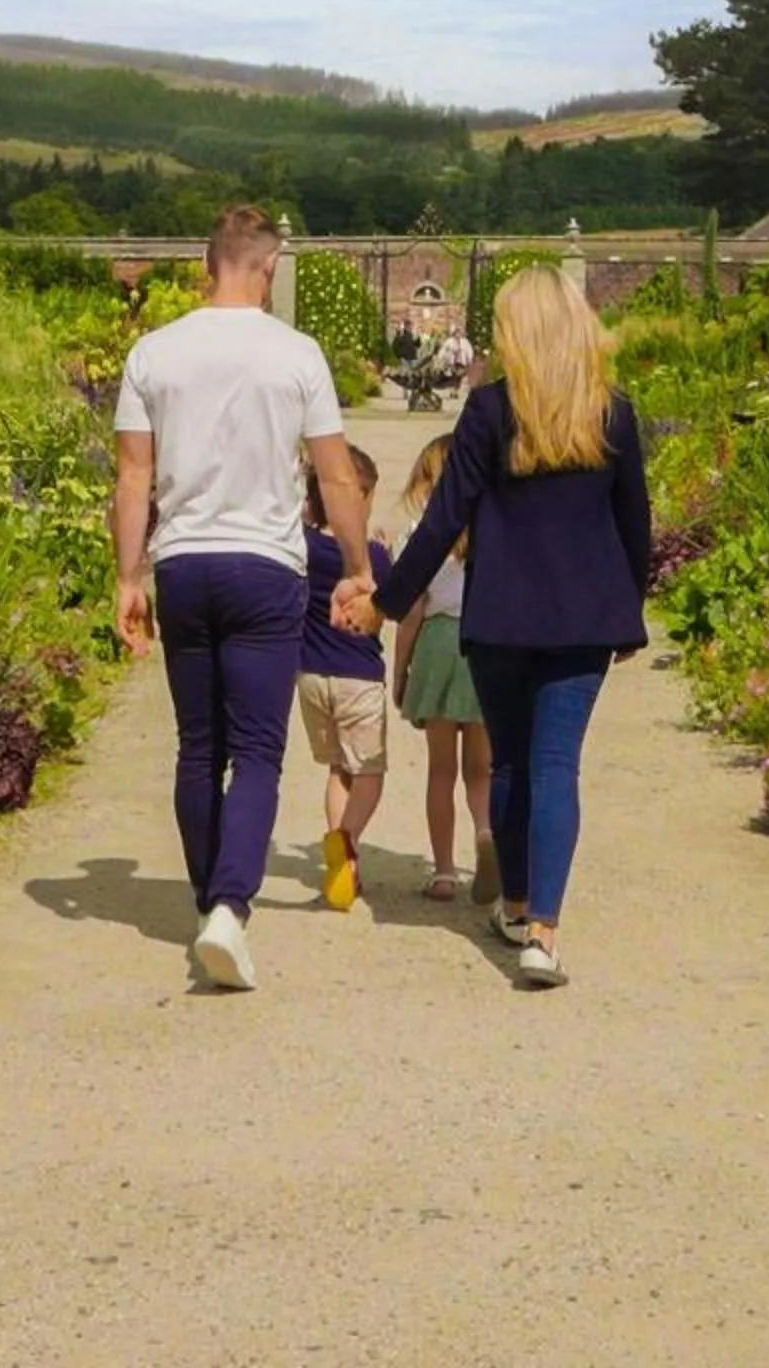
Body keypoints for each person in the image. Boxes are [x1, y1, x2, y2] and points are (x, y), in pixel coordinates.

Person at [342, 268, 649, 989]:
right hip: (583, 621)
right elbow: (634, 525)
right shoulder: (613, 413)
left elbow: (443, 520)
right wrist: (628, 614)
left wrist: (386, 604)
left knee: (509, 763)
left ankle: (514, 905)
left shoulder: (488, 412)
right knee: (555, 767)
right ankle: (544, 931)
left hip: (503, 615)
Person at [113, 206, 374, 992]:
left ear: (208, 265)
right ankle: (230, 906)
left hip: (185, 563)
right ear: (266, 267)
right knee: (258, 751)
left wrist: (128, 578)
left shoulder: (153, 352)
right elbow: (334, 475)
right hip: (266, 566)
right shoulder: (296, 354)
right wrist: (359, 567)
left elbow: (132, 477)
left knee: (200, 746)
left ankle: (206, 905)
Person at [389, 433, 495, 906]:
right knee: (482, 770)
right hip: (484, 646)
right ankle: (488, 833)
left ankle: (446, 871)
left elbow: (411, 611)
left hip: (435, 645)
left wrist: (400, 670)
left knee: (440, 771)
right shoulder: (495, 534)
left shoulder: (417, 539)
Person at [299, 445, 393, 912]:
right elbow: (391, 603)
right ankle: (347, 843)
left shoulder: (301, 546)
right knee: (369, 773)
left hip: (312, 675)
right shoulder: (371, 555)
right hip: (359, 676)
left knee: (338, 769)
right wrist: (383, 554)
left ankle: (345, 866)